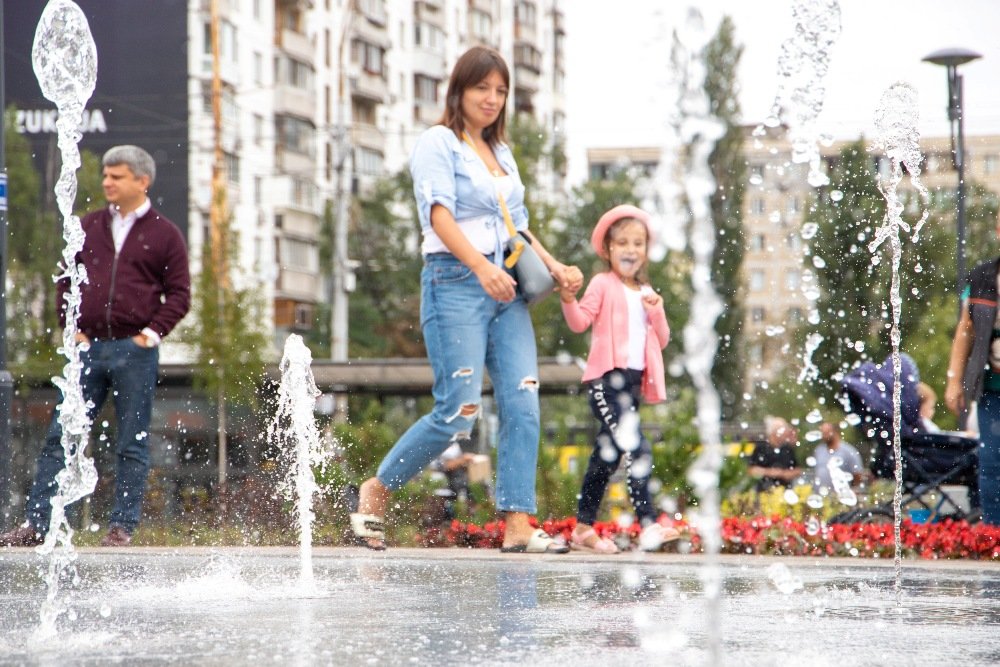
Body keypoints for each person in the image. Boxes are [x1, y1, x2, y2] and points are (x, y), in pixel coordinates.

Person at [349, 46, 581, 553]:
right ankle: (377, 489)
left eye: (501, 91)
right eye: (482, 88)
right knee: (460, 411)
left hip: (508, 289)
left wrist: (555, 266)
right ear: (458, 90)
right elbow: (438, 216)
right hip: (456, 281)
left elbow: (516, 225)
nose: (492, 99)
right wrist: (481, 268)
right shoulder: (439, 143)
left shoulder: (501, 153)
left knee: (523, 403)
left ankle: (518, 522)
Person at [1, 145, 191, 548]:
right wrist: (71, 330)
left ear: (142, 181)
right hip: (87, 349)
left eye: (116, 176)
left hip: (134, 352)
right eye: (106, 175)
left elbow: (180, 294)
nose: (106, 182)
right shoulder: (87, 226)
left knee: (131, 442)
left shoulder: (164, 234)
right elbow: (64, 279)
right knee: (60, 436)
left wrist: (150, 335)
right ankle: (38, 525)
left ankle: (121, 528)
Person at [559, 204, 679, 553]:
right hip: (605, 383)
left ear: (646, 251)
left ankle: (582, 528)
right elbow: (580, 321)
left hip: (631, 385)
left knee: (606, 457)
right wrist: (568, 298)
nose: (630, 250)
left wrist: (656, 309)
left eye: (638, 243)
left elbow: (663, 338)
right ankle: (648, 524)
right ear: (608, 249)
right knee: (636, 446)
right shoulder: (602, 284)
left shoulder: (646, 292)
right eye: (623, 243)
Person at [945, 248, 1000, 525]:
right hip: (992, 387)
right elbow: (966, 328)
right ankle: (994, 533)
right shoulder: (982, 277)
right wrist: (954, 380)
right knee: (991, 462)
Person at [748, 417, 802, 492]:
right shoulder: (761, 448)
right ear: (773, 432)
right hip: (765, 493)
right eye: (783, 432)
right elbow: (751, 470)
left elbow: (798, 470)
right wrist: (770, 472)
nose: (785, 435)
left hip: (785, 493)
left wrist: (787, 474)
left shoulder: (787, 449)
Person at [811, 422, 865, 492]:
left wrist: (849, 492)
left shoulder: (848, 451)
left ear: (835, 431)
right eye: (822, 433)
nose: (823, 436)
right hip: (820, 496)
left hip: (839, 497)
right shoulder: (819, 450)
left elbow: (858, 475)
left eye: (826, 433)